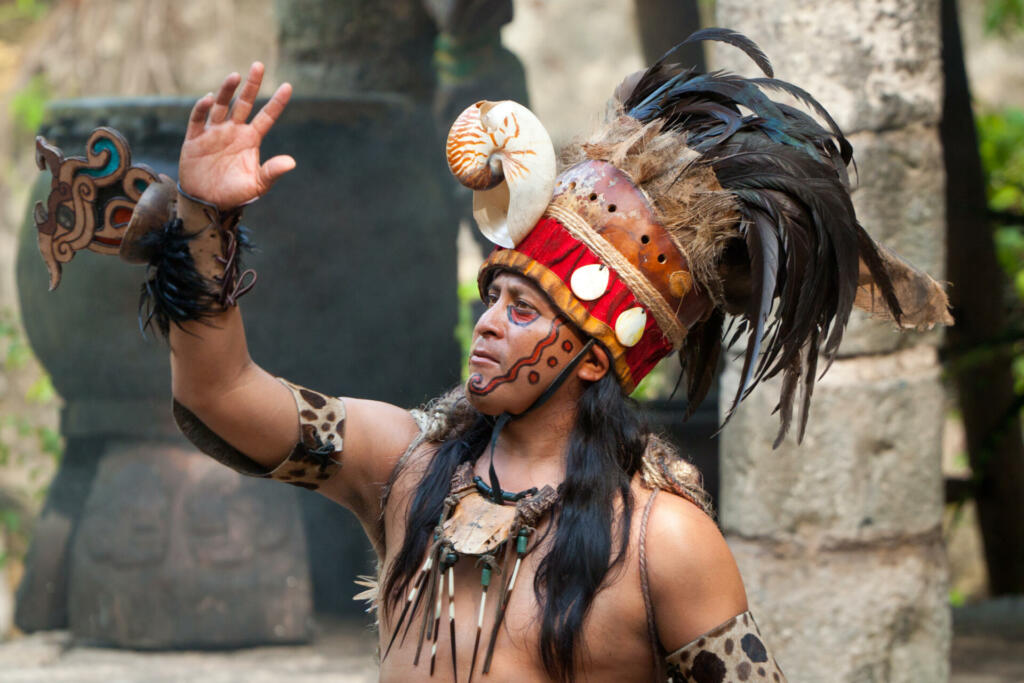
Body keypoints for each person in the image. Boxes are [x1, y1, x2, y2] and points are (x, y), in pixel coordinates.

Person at [34, 29, 951, 683]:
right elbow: (222, 395)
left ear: (596, 357)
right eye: (492, 299)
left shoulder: (664, 542)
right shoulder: (404, 465)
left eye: (523, 309)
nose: (487, 324)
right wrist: (203, 222)